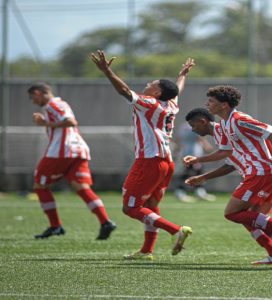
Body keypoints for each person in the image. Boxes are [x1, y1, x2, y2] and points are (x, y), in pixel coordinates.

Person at [183, 85, 272, 269]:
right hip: (256, 174)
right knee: (253, 219)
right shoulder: (226, 125)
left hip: (263, 172)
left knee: (233, 213)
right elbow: (225, 154)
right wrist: (200, 164)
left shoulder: (238, 120)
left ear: (224, 105)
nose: (207, 104)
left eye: (211, 101)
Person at [90, 50, 193, 260]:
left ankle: (175, 230)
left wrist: (107, 71)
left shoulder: (149, 103)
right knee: (151, 207)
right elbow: (176, 91)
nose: (148, 83)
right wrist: (182, 75)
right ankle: (147, 251)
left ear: (156, 93)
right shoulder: (171, 105)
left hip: (149, 161)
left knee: (131, 208)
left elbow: (125, 91)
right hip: (166, 163)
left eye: (153, 83)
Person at [28, 82, 117, 240]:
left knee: (40, 185)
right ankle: (105, 222)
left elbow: (70, 121)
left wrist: (44, 123)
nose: (33, 102)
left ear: (38, 93)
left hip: (61, 152)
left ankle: (56, 226)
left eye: (32, 98)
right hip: (78, 150)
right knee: (81, 187)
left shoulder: (52, 104)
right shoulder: (59, 104)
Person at [174, 123, 216, 202]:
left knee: (195, 172)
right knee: (192, 173)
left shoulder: (183, 127)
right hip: (194, 153)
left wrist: (177, 150)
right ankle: (181, 191)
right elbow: (200, 138)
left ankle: (199, 191)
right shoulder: (195, 127)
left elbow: (178, 139)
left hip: (184, 153)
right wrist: (208, 147)